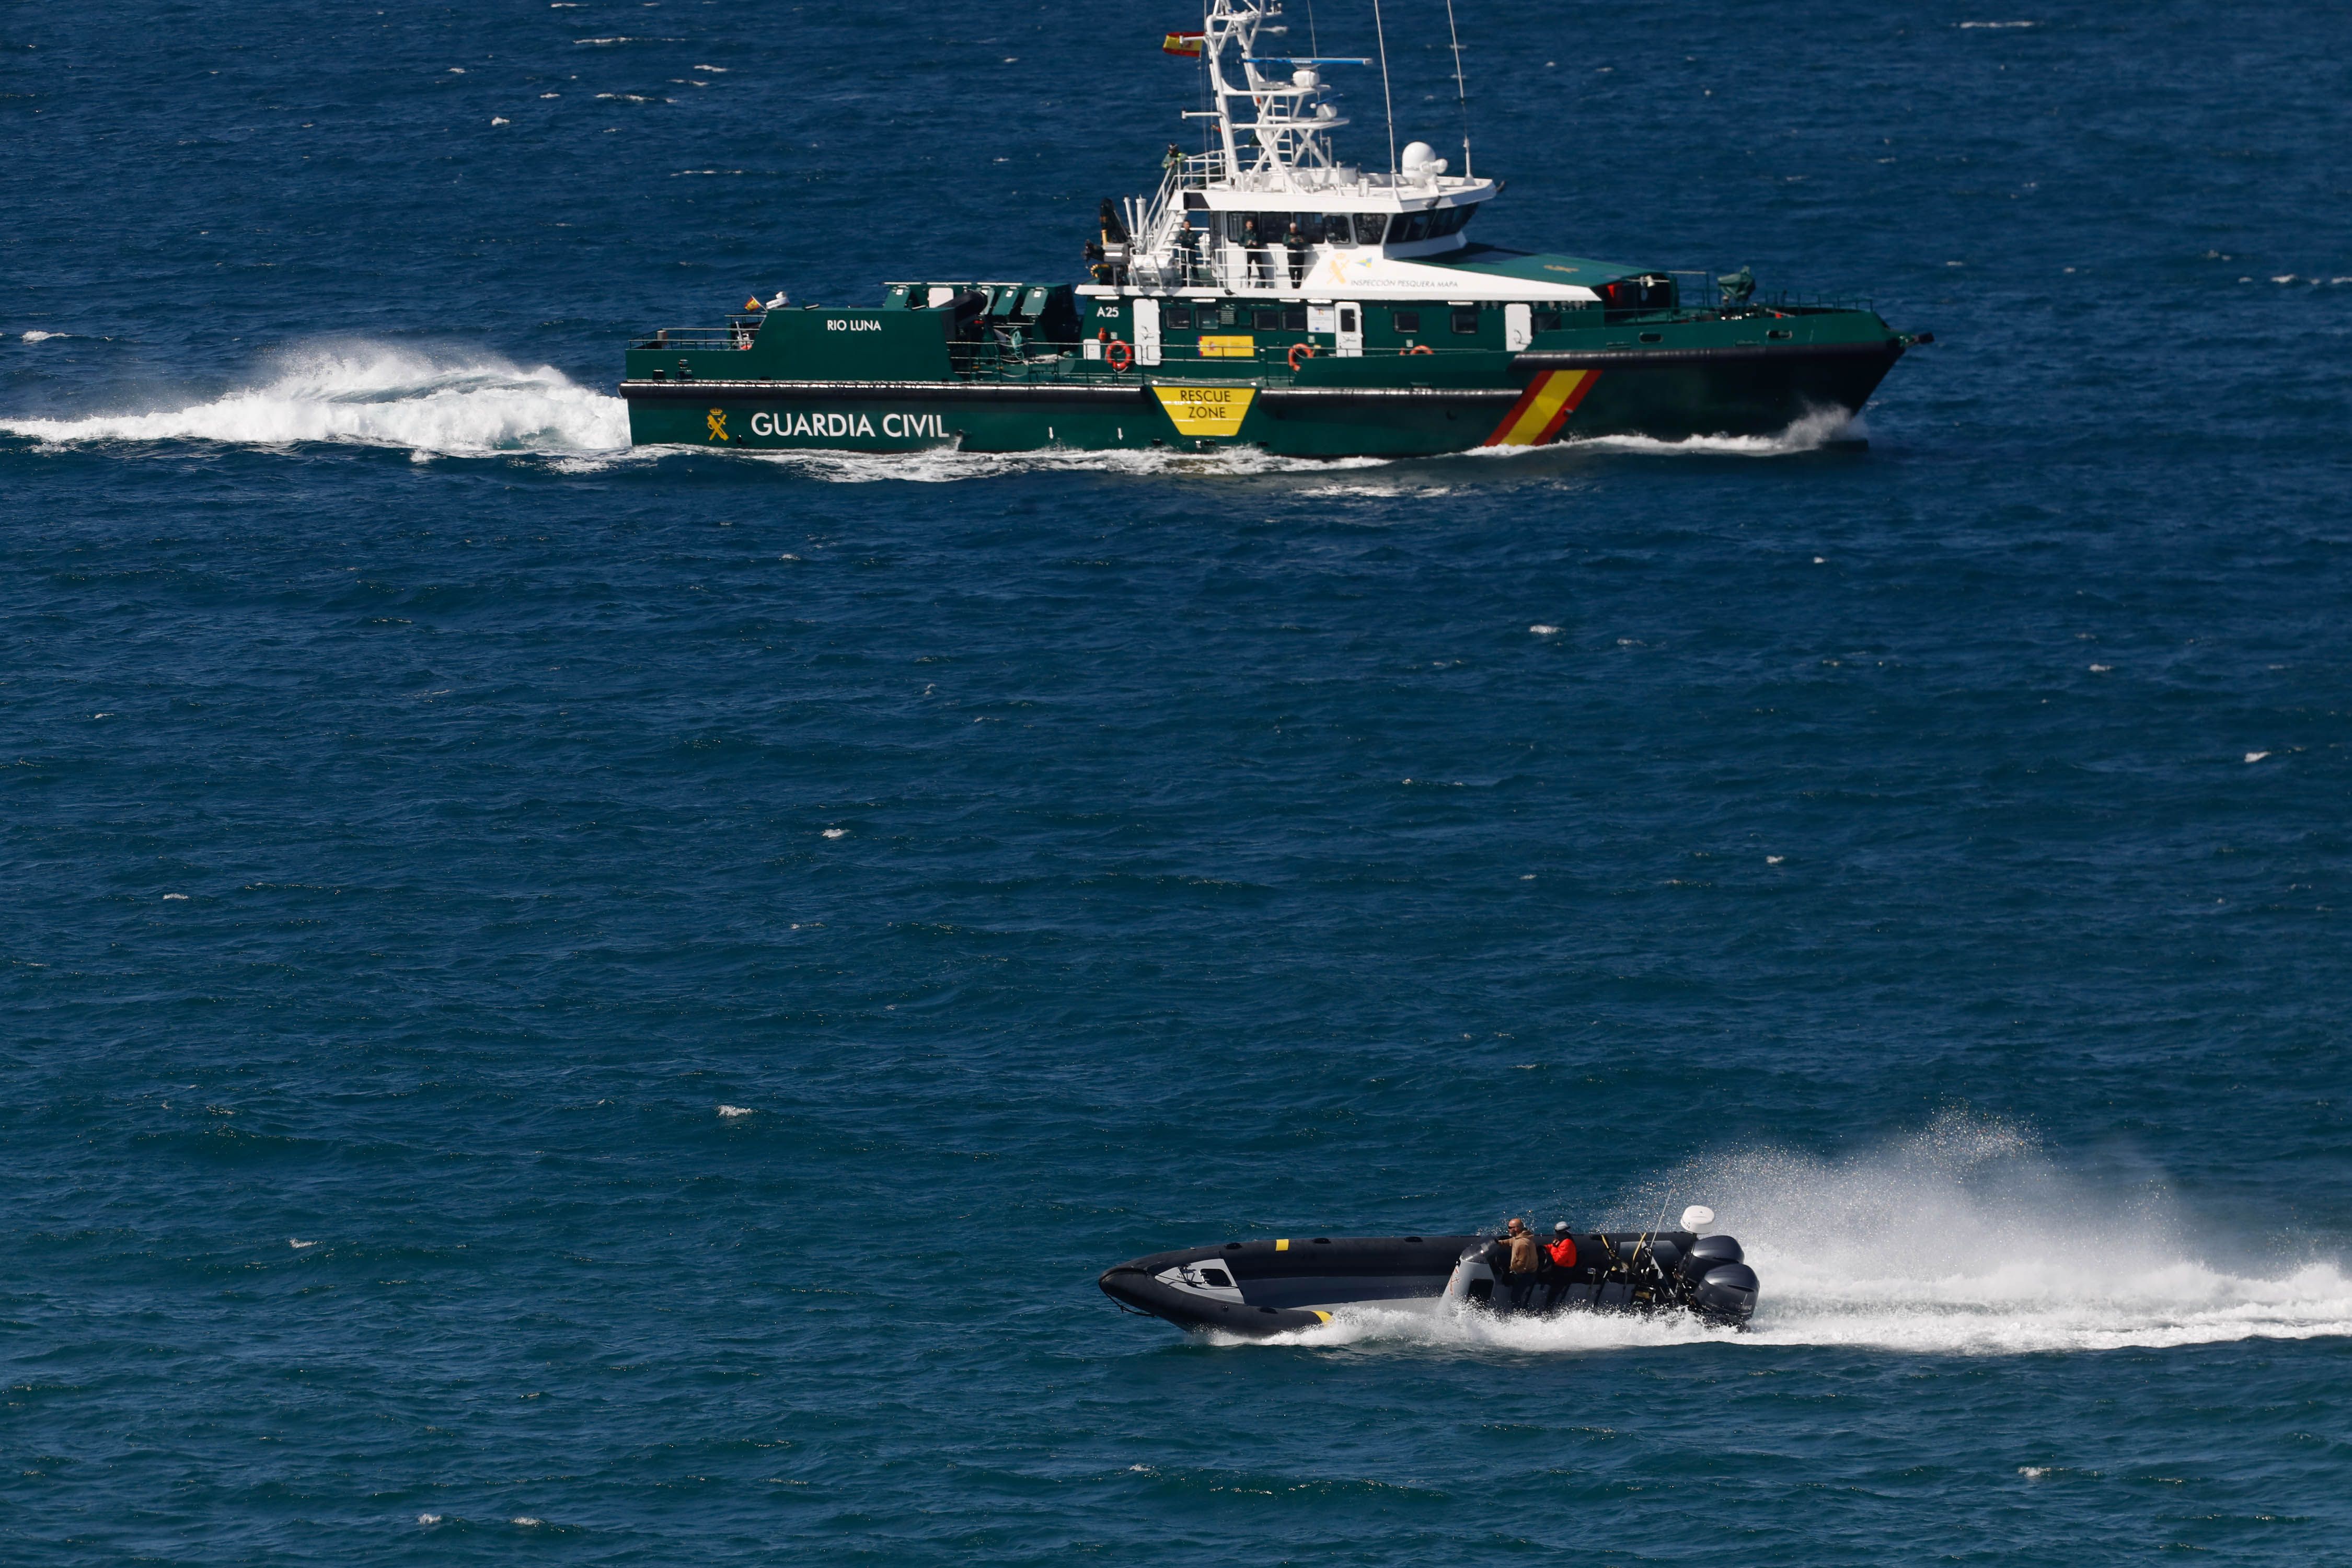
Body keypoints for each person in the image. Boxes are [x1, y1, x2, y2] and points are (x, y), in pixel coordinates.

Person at [1502, 1217, 1541, 1309]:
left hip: (1527, 1275)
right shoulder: (1520, 1238)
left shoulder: (1522, 1244)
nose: (1508, 1229)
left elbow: (1522, 1264)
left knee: (1515, 1296)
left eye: (1509, 1227)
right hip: (1526, 1272)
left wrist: (1509, 1269)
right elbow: (1511, 1241)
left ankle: (1519, 1315)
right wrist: (1499, 1243)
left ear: (1516, 1229)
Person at [1542, 1222, 1579, 1308]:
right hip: (1560, 1271)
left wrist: (1554, 1248)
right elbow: (1555, 1246)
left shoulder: (1567, 1243)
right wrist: (1545, 1248)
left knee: (1552, 1295)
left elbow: (1558, 1260)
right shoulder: (1563, 1240)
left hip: (1563, 1273)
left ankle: (1548, 1312)